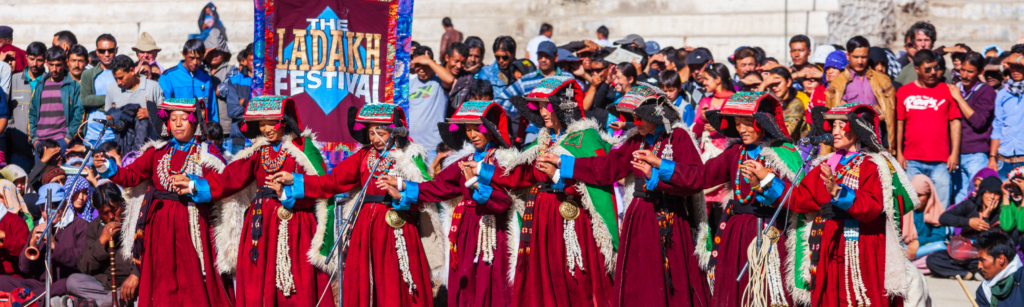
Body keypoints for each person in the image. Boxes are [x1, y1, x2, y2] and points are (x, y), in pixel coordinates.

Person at [540, 83, 711, 306]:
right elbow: (606, 168)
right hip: (639, 217)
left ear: (656, 116)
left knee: (673, 280)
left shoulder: (678, 137)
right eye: (632, 117)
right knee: (642, 281)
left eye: (639, 118)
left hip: (671, 218)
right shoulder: (634, 140)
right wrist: (564, 163)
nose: (634, 123)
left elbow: (694, 178)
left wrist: (656, 172)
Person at [270, 103, 436, 307]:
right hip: (365, 225)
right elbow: (331, 182)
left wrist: (400, 196)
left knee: (395, 280)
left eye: (380, 133)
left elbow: (426, 194)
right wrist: (294, 179)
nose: (374, 139)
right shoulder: (364, 156)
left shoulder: (410, 157)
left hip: (396, 226)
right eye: (371, 133)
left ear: (394, 131)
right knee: (363, 281)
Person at [175, 96, 334, 307]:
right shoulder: (257, 152)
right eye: (261, 124)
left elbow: (322, 185)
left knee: (298, 281)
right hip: (261, 225)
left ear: (285, 122)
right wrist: (196, 185)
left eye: (271, 122)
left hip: (296, 223)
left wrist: (290, 191)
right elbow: (229, 179)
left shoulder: (303, 148)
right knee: (259, 284)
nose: (267, 129)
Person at [656, 92, 801, 306]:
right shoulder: (735, 153)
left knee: (769, 291)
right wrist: (659, 165)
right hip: (736, 232)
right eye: (737, 124)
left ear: (763, 123)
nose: (741, 129)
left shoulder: (783, 153)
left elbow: (796, 197)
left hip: (770, 231)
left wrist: (765, 180)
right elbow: (701, 176)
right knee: (734, 290)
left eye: (747, 123)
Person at [92, 98, 232, 307]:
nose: (177, 123)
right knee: (162, 276)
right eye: (173, 119)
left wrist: (195, 186)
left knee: (191, 276)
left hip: (192, 224)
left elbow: (222, 184)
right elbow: (130, 176)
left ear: (194, 122)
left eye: (183, 119)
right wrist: (107, 167)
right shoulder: (158, 152)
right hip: (160, 225)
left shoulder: (206, 153)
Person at [376, 101, 517, 307]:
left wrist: (474, 183)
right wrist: (401, 184)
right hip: (466, 230)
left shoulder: (503, 161)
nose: (472, 134)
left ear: (490, 129)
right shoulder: (465, 160)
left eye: (477, 128)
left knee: (492, 285)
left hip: (493, 233)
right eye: (468, 129)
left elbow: (503, 201)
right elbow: (439, 187)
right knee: (466, 285)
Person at [784, 103, 924, 307]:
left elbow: (873, 206)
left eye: (842, 126)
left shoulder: (873, 164)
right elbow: (801, 198)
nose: (836, 131)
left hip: (860, 245)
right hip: (828, 242)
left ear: (858, 131)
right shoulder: (826, 163)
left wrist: (839, 192)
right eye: (833, 126)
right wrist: (766, 182)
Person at [502, 77, 616, 306]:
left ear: (562, 107)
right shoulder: (541, 142)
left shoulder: (586, 138)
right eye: (540, 107)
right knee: (546, 277)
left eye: (547, 105)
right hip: (543, 220)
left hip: (572, 222)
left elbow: (596, 181)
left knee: (574, 280)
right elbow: (520, 176)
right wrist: (484, 171)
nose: (543, 112)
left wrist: (557, 176)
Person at [897, 49, 962, 208]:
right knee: (911, 207)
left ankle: (941, 234)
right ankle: (914, 234)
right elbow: (899, 123)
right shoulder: (903, 92)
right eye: (928, 69)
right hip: (911, 160)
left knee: (941, 207)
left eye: (935, 67)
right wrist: (899, 153)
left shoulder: (947, 90)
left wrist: (954, 153)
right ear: (916, 69)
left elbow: (955, 122)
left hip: (941, 161)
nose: (933, 72)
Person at [0, 183, 86, 303]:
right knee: (2, 281)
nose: (49, 212)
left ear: (65, 204)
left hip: (66, 281)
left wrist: (54, 246)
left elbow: (83, 260)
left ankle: (29, 298)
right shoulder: (38, 228)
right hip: (40, 285)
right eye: (44, 208)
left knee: (66, 283)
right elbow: (25, 269)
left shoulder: (80, 226)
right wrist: (31, 244)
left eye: (54, 206)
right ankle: (31, 298)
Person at [67, 182, 140, 306]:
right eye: (104, 213)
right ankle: (107, 302)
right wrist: (102, 241)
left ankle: (95, 304)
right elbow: (85, 267)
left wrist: (136, 275)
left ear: (121, 203)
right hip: (105, 285)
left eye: (114, 209)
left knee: (132, 294)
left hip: (132, 282)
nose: (111, 216)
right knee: (72, 282)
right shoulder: (94, 227)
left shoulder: (136, 219)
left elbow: (150, 253)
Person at [826, 36, 897, 151]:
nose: (860, 61)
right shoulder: (837, 84)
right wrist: (872, 110)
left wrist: (851, 111)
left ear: (868, 55)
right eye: (856, 57)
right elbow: (832, 118)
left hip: (877, 143)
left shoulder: (883, 81)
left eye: (863, 57)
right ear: (848, 56)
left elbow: (888, 113)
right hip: (849, 145)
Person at [927, 175, 1003, 279]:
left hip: (982, 255)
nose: (992, 197)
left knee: (991, 262)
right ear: (982, 193)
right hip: (963, 252)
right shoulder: (970, 204)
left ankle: (969, 272)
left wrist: (986, 217)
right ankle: (966, 274)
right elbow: (944, 218)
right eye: (989, 192)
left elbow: (989, 242)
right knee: (933, 260)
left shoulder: (1000, 213)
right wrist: (968, 222)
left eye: (996, 193)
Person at [949, 52, 998, 203]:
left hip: (976, 155)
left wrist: (959, 99)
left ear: (980, 72)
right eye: (962, 70)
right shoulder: (954, 88)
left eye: (970, 71)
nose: (964, 75)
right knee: (959, 201)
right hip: (954, 155)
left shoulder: (986, 91)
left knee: (977, 200)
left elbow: (978, 121)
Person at [495, 41, 575, 117]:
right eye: (540, 55)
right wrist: (525, 110)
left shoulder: (567, 79)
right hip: (534, 129)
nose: (543, 59)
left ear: (556, 57)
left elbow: (576, 103)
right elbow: (500, 100)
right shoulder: (526, 80)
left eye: (547, 55)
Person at [29, 46, 82, 161]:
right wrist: (34, 140)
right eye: (51, 64)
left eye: (58, 65)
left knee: (60, 177)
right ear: (46, 63)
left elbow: (79, 114)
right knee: (41, 177)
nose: (54, 69)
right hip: (41, 143)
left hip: (61, 141)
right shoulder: (40, 85)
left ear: (65, 63)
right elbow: (32, 113)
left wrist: (67, 138)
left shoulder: (73, 86)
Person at [159, 39, 217, 123]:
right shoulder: (168, 76)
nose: (195, 62)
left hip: (202, 130)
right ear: (184, 54)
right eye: (191, 58)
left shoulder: (206, 78)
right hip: (178, 129)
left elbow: (212, 108)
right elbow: (163, 108)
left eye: (199, 58)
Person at [691, 63, 736, 166]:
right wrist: (702, 119)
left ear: (718, 80)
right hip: (707, 155)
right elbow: (694, 133)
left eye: (706, 79)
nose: (704, 82)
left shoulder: (734, 101)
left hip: (729, 154)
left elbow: (741, 128)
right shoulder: (705, 101)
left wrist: (720, 128)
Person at [991, 47, 1024, 178]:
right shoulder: (1003, 93)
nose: (1015, 70)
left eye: (1019, 65)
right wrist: (992, 158)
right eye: (1011, 65)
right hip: (1003, 162)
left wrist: (1015, 58)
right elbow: (997, 126)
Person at [906, 174, 948, 273]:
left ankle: (908, 267)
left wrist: (919, 242)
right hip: (905, 249)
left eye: (920, 195)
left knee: (938, 251)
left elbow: (939, 237)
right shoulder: (903, 209)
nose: (915, 199)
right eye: (913, 194)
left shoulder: (937, 211)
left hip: (925, 250)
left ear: (929, 195)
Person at [973, 232, 1024, 307]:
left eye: (982, 260)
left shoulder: (1021, 278)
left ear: (1001, 259)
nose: (979, 266)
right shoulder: (984, 291)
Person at [761, 67, 809, 140]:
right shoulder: (770, 103)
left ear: (788, 82)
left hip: (792, 148)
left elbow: (785, 132)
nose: (774, 87)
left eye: (777, 83)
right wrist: (763, 85)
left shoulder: (796, 103)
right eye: (771, 84)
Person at [80, 34, 118, 113]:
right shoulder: (88, 74)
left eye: (110, 50)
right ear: (97, 52)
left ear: (116, 50)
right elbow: (85, 100)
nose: (106, 54)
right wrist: (110, 99)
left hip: (117, 123)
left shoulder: (123, 74)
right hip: (93, 123)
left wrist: (97, 101)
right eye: (102, 51)